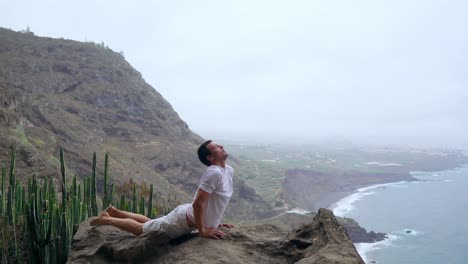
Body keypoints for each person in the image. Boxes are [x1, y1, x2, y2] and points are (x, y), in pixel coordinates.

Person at [90, 140, 234, 240]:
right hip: (182, 221)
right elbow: (198, 204)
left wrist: (214, 222)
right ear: (210, 157)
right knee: (142, 230)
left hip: (186, 217)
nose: (221, 146)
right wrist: (203, 230)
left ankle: (115, 211)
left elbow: (215, 202)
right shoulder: (214, 173)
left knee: (152, 223)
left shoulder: (228, 170)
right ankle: (107, 219)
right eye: (217, 148)